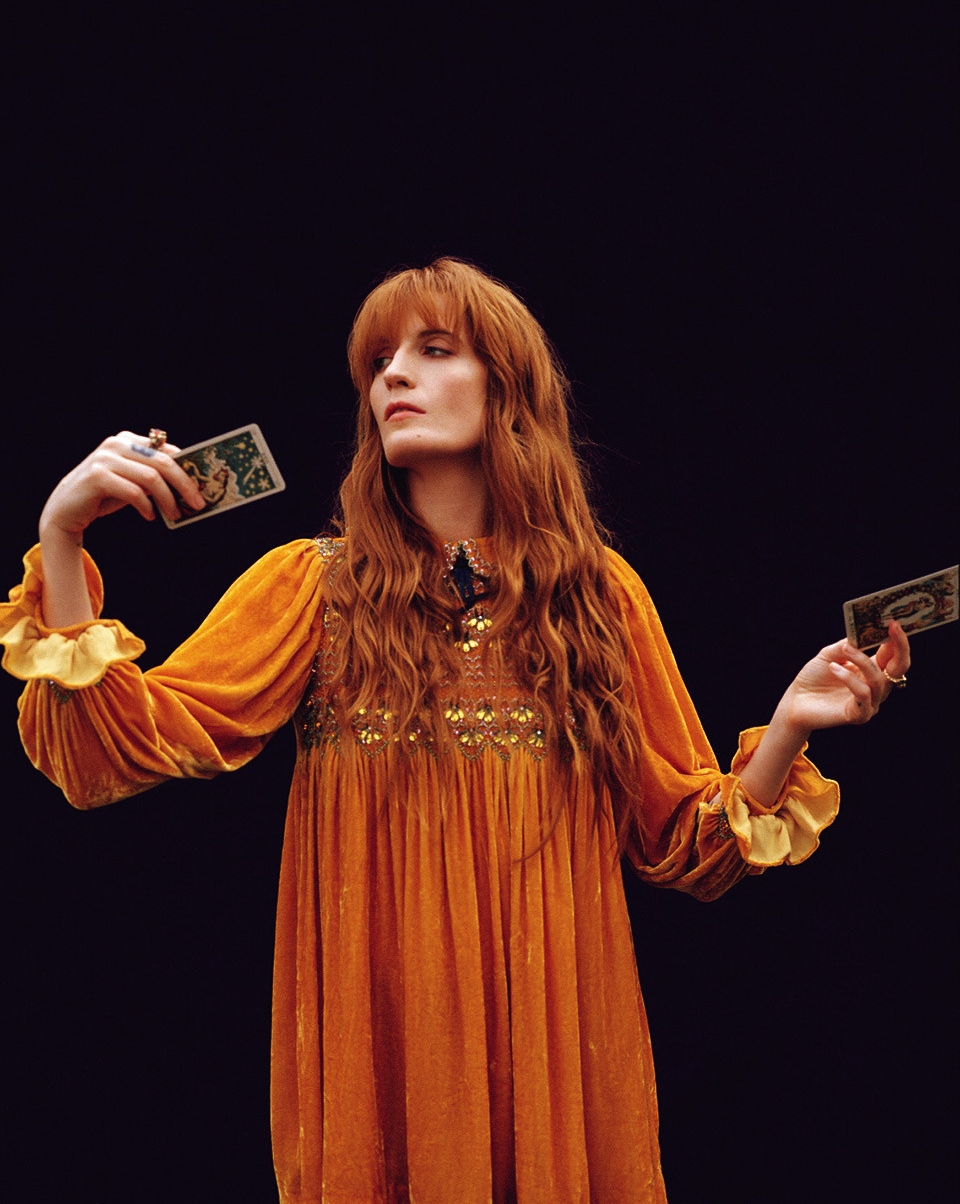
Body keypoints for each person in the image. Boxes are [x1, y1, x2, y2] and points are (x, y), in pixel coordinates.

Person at [1, 258, 911, 1204]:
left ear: (507, 390)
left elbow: (685, 841)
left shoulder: (597, 598)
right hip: (382, 1070)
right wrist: (63, 537)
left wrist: (790, 724)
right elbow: (106, 750)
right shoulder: (314, 588)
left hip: (555, 1075)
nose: (394, 373)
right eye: (379, 360)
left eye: (434, 350)